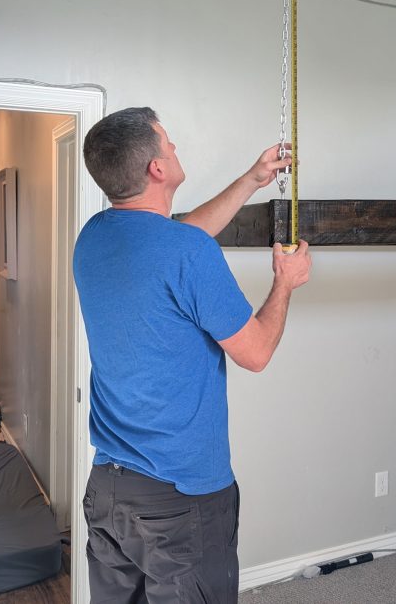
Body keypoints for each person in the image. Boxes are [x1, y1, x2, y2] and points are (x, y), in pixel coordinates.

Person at [73, 106, 311, 603]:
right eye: (168, 142)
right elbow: (257, 352)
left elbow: (180, 235)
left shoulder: (94, 236)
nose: (175, 147)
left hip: (110, 491)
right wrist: (285, 284)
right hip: (180, 500)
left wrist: (252, 179)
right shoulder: (187, 253)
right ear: (157, 169)